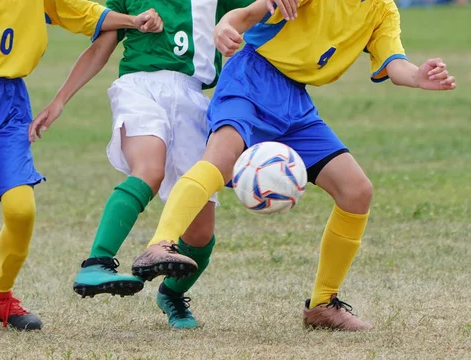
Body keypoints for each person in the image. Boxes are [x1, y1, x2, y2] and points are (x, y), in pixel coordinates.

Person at [131, 0, 456, 331]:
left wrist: (418, 76)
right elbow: (246, 15)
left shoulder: (382, 9)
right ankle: (160, 245)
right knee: (220, 160)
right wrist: (225, 28)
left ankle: (322, 305)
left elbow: (393, 63)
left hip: (294, 103)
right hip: (250, 80)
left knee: (356, 191)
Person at [0, 0, 162, 335]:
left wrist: (133, 20)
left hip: (8, 104)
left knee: (21, 211)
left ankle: (0, 296)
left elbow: (83, 13)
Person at [28, 0, 261, 329]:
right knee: (149, 170)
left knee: (200, 235)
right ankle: (97, 262)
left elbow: (261, 15)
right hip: (139, 88)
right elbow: (101, 45)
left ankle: (172, 294)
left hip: (193, 99)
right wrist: (59, 100)